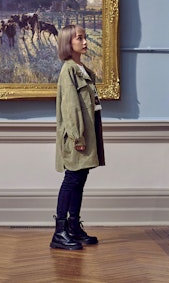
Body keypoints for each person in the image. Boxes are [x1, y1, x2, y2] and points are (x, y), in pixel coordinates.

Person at [50, 24, 105, 251]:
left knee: (80, 180)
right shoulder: (68, 70)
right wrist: (76, 137)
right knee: (72, 180)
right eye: (79, 38)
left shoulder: (84, 71)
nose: (84, 42)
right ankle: (59, 232)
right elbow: (70, 107)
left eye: (84, 37)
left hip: (86, 135)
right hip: (76, 138)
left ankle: (73, 227)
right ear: (67, 43)